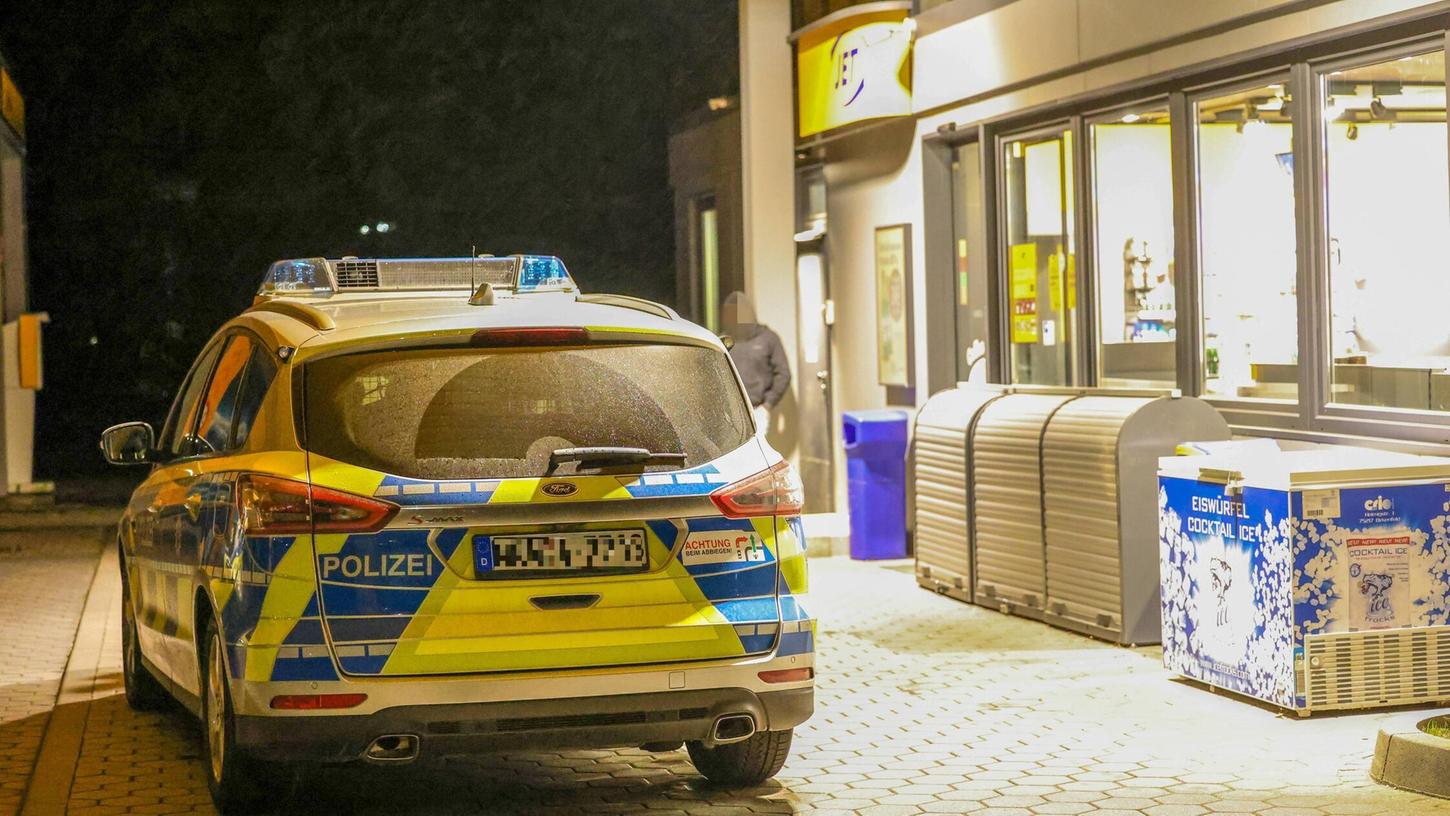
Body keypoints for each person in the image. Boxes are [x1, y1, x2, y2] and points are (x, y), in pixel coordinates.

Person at [722, 291, 790, 431]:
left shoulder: (768, 338)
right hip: (729, 412)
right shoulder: (724, 340)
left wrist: (768, 404)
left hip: (757, 410)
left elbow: (783, 374)